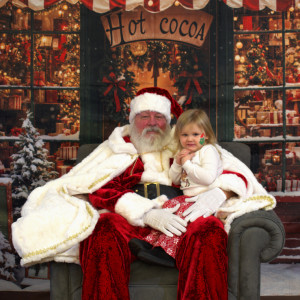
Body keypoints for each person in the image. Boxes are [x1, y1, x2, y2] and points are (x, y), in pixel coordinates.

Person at [12, 87, 276, 300]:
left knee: (209, 230)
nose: (152, 123)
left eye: (158, 117)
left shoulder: (188, 140)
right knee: (103, 227)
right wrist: (145, 212)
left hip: (183, 218)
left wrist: (219, 191)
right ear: (132, 119)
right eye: (144, 116)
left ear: (169, 120)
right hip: (131, 223)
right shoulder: (115, 148)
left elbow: (235, 171)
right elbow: (91, 185)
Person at [129, 108, 225, 267]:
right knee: (168, 207)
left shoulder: (208, 151)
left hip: (202, 199)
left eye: (196, 135)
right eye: (184, 135)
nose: (190, 139)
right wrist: (178, 163)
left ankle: (167, 254)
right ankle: (152, 244)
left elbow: (208, 178)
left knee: (180, 217)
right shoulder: (184, 152)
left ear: (205, 135)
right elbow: (174, 179)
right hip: (187, 198)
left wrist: (187, 164)